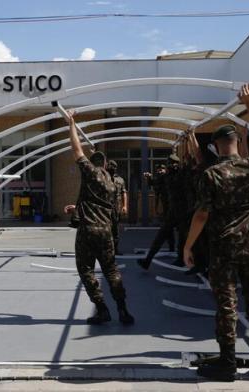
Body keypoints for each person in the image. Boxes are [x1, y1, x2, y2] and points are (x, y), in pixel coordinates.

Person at [183, 84, 249, 381]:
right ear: (235, 142)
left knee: (227, 303)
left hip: (224, 248)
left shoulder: (212, 175)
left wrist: (188, 246)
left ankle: (229, 362)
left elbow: (202, 214)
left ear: (218, 145)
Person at [65, 111, 134, 325]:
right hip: (105, 231)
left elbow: (76, 150)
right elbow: (98, 203)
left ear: (93, 165)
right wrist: (77, 207)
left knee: (86, 270)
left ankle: (102, 309)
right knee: (111, 270)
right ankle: (123, 310)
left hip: (87, 230)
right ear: (105, 165)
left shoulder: (90, 172)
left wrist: (72, 124)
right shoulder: (113, 184)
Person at [138, 154, 186, 270]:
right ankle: (148, 260)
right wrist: (149, 178)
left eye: (173, 163)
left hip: (184, 211)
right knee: (162, 235)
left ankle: (181, 258)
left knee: (183, 236)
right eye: (170, 163)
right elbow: (154, 183)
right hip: (172, 211)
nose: (171, 165)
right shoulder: (166, 176)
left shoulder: (183, 174)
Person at [107, 160, 128, 254]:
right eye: (109, 166)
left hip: (116, 207)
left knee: (115, 229)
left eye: (113, 166)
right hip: (105, 206)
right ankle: (106, 249)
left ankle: (115, 249)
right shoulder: (103, 177)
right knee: (105, 229)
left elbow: (124, 193)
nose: (111, 168)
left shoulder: (120, 180)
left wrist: (125, 206)